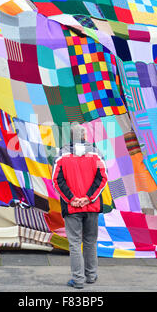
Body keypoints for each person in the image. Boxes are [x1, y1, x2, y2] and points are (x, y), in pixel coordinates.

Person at [52, 123, 108, 289]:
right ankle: (91, 276)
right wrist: (88, 198)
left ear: (71, 137)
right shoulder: (97, 154)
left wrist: (72, 199)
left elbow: (56, 180)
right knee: (90, 241)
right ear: (85, 136)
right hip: (92, 206)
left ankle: (78, 280)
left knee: (75, 244)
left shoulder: (61, 154)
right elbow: (103, 178)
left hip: (72, 208)